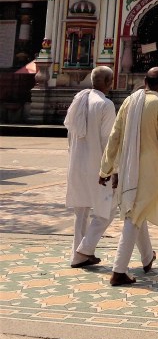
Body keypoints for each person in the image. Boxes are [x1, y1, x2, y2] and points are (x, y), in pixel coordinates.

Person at [100, 67, 158, 287]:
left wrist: (106, 168)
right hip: (149, 171)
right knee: (134, 214)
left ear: (145, 81)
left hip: (127, 167)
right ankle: (118, 270)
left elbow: (115, 136)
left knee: (136, 209)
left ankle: (146, 257)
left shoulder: (128, 102)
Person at [64, 66, 117, 268]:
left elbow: (69, 132)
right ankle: (84, 250)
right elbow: (108, 142)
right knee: (108, 208)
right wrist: (113, 169)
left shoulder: (78, 99)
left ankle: (79, 254)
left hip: (77, 162)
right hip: (98, 167)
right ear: (109, 83)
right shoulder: (105, 104)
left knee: (81, 212)